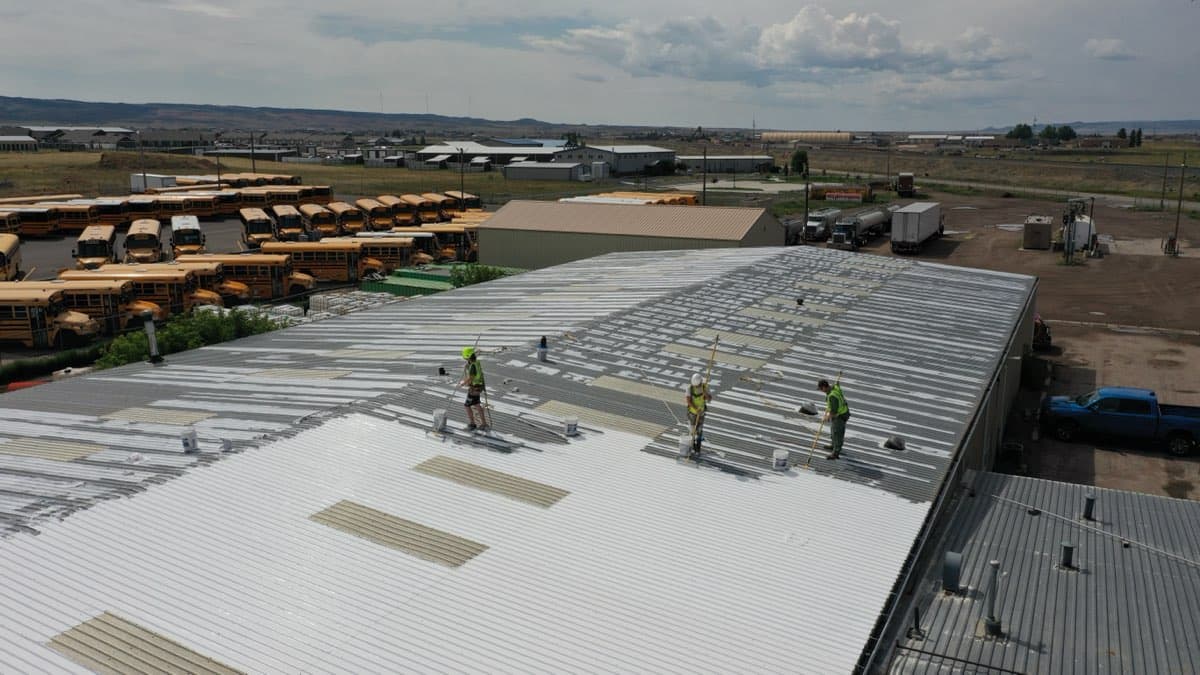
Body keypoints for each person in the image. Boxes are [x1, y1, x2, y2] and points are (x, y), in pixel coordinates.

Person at [818, 379, 850, 459]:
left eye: (821, 389)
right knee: (833, 430)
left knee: (837, 434)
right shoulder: (835, 388)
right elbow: (837, 385)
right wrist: (837, 383)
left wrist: (826, 418)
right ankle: (833, 445)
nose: (821, 391)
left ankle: (836, 453)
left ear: (824, 387)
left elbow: (834, 412)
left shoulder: (832, 396)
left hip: (840, 416)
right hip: (841, 413)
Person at [460, 346, 488, 431]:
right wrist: (467, 365)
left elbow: (471, 377)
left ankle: (472, 424)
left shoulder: (472, 366)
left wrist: (463, 383)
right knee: (477, 404)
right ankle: (484, 424)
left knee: (467, 406)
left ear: (467, 357)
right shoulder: (476, 362)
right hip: (479, 387)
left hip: (474, 389)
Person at [686, 373, 713, 455]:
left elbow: (709, 399)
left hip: (701, 413)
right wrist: (695, 409)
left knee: (699, 431)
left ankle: (698, 448)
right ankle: (692, 446)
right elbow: (688, 401)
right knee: (692, 430)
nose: (696, 386)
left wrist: (706, 394)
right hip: (692, 413)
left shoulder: (705, 387)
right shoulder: (689, 388)